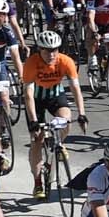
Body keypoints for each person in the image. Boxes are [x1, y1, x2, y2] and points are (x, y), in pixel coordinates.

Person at [20, 29, 87, 196]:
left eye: (55, 50)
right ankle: (37, 182)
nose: (51, 54)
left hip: (55, 95)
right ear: (39, 50)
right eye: (47, 50)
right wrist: (34, 120)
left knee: (65, 118)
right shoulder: (31, 63)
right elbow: (28, 94)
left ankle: (56, 144)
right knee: (37, 139)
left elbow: (75, 88)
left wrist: (82, 113)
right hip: (36, 99)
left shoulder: (66, 61)